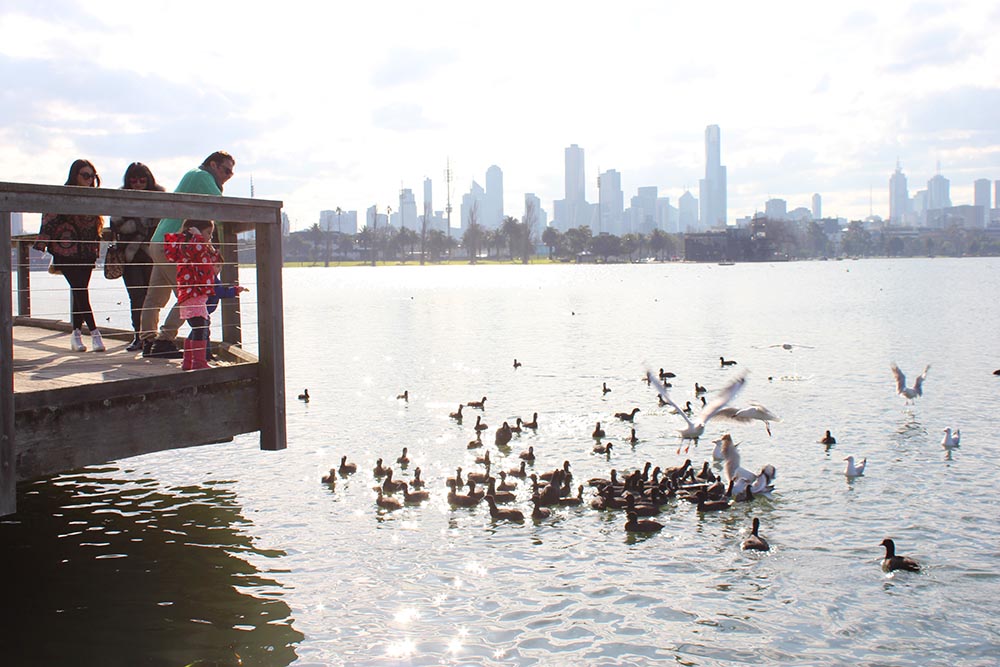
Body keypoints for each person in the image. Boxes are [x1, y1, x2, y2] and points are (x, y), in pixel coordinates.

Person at [140, 151, 235, 358]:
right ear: (213, 164)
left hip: (160, 241)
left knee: (155, 297)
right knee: (192, 294)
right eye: (226, 170)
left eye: (232, 172)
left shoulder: (191, 175)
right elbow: (222, 208)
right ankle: (164, 341)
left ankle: (148, 341)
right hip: (176, 247)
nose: (229, 175)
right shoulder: (202, 176)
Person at [33, 159, 106, 352]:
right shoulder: (63, 195)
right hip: (65, 251)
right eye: (85, 175)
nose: (89, 180)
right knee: (80, 290)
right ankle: (95, 333)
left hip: (87, 253)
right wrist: (42, 243)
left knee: (79, 291)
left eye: (92, 176)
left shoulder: (94, 198)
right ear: (75, 176)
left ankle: (76, 335)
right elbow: (49, 217)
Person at [109, 162, 165, 351]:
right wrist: (140, 225)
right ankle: (139, 336)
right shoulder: (120, 197)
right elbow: (116, 224)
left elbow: (164, 224)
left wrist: (140, 226)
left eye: (143, 180)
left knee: (152, 297)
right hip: (130, 255)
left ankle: (150, 336)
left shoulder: (159, 197)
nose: (138, 184)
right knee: (136, 295)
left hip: (152, 253)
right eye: (134, 180)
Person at [163, 219, 223, 370]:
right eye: (208, 233)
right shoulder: (187, 245)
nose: (210, 237)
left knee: (198, 327)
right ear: (194, 230)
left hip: (197, 295)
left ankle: (188, 362)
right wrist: (197, 237)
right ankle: (198, 362)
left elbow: (212, 259)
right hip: (191, 294)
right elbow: (195, 251)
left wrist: (209, 246)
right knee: (200, 326)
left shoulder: (200, 246)